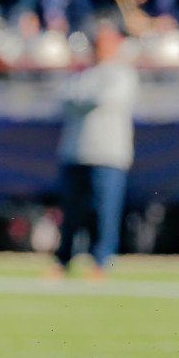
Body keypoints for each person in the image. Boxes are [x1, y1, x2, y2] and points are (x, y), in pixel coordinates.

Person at [50, 17, 137, 277]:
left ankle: (100, 262)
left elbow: (101, 98)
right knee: (71, 213)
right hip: (75, 152)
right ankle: (63, 261)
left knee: (104, 213)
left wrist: (80, 97)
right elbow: (63, 97)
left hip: (108, 154)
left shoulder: (123, 73)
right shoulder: (82, 73)